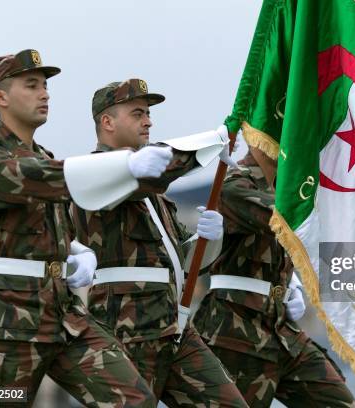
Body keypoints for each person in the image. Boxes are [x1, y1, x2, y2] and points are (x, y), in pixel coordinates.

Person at [0, 49, 179, 407]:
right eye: (31, 85)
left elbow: (54, 210)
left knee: (134, 400)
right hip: (7, 321)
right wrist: (125, 166)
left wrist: (75, 251)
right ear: (0, 97)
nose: (44, 93)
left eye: (45, 86)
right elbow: (44, 179)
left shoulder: (45, 156)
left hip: (63, 317)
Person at [70, 78, 248, 407]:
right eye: (138, 113)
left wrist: (208, 239)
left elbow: (183, 260)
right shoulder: (96, 175)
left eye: (149, 113)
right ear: (107, 122)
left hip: (174, 325)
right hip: (127, 329)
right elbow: (153, 171)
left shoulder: (154, 193)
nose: (149, 121)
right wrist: (212, 142)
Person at [193, 146, 355, 407]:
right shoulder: (236, 184)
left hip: (282, 329)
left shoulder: (286, 187)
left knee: (338, 402)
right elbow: (283, 220)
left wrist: (290, 286)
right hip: (236, 330)